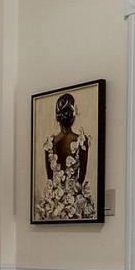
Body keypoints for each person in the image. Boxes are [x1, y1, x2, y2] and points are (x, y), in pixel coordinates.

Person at [37, 92, 97, 220]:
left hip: (54, 202)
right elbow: (82, 175)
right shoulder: (82, 140)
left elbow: (50, 178)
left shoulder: (50, 142)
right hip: (75, 200)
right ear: (73, 116)